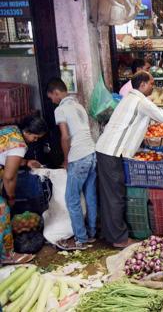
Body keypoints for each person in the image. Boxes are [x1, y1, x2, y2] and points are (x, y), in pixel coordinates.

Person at [95, 71, 163, 248]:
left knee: (111, 194)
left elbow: (158, 112)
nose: (153, 86)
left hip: (107, 150)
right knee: (115, 196)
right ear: (142, 85)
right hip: (110, 152)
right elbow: (161, 116)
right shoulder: (140, 101)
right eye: (151, 83)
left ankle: (110, 233)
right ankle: (119, 239)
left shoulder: (132, 99)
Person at [46, 78, 97, 251]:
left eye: (51, 98)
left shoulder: (61, 109)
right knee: (90, 196)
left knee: (72, 199)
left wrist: (66, 160)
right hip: (92, 153)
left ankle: (81, 239)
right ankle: (91, 234)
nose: (52, 101)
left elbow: (65, 136)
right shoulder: (79, 105)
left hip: (79, 156)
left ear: (56, 93)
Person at [0, 116, 47, 264]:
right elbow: (9, 177)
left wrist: (26, 162)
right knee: (3, 211)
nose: (35, 140)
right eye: (35, 137)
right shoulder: (19, 145)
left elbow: (6, 156)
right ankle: (7, 256)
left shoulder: (11, 130)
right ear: (27, 132)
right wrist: (11, 197)